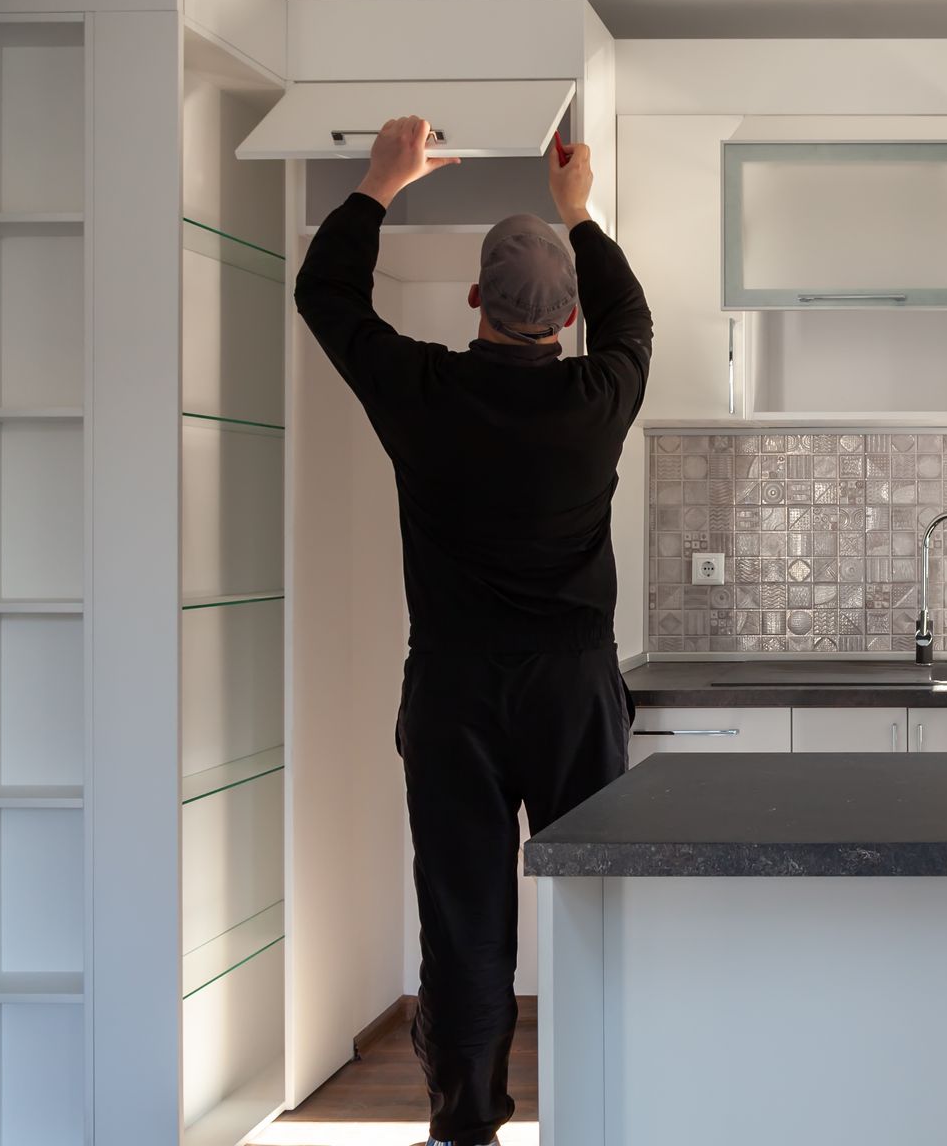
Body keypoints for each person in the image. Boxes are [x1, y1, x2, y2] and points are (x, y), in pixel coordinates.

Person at [294, 116, 652, 1146]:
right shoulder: (601, 392)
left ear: (474, 303)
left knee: (463, 918)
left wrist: (379, 182)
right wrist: (578, 208)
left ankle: (466, 1126)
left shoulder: (425, 391)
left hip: (454, 692)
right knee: (596, 902)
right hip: (574, 689)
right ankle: (601, 1105)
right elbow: (634, 320)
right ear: (568, 316)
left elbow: (326, 297)